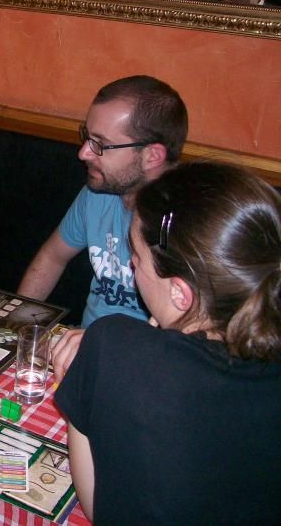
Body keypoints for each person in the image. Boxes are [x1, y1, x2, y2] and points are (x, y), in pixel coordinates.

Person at [55, 161, 281, 523]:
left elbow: (99, 507)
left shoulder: (113, 346)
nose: (131, 268)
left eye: (136, 258)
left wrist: (87, 376)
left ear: (180, 293)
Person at [16, 75, 188, 379]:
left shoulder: (192, 221)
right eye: (86, 136)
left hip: (148, 371)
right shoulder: (98, 193)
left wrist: (106, 347)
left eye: (101, 144)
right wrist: (19, 327)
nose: (83, 153)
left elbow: (197, 341)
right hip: (81, 354)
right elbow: (53, 257)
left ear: (152, 156)